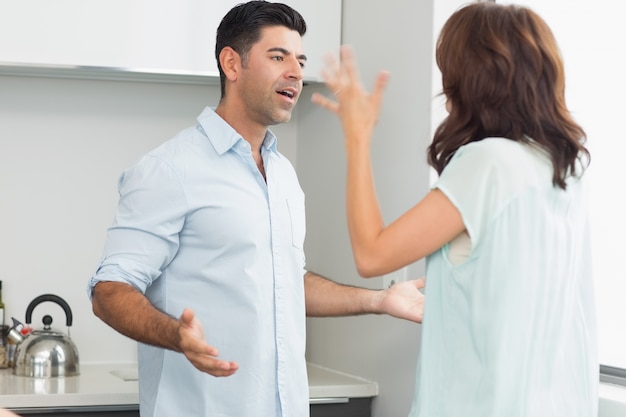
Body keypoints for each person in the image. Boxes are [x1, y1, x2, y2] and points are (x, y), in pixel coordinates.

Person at [87, 1, 425, 417]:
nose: (297, 73)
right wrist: (176, 335)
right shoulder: (169, 170)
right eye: (278, 56)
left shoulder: (283, 174)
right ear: (232, 63)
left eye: (300, 60)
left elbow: (287, 282)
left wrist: (380, 300)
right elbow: (108, 291)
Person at [312, 3, 597, 417]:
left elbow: (372, 255)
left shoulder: (489, 163)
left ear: (475, 78)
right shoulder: (565, 170)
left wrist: (357, 138)